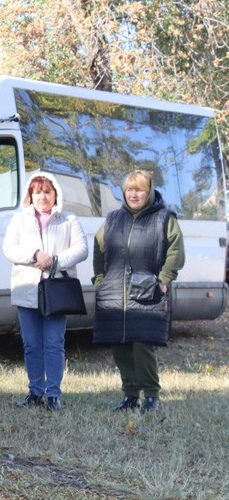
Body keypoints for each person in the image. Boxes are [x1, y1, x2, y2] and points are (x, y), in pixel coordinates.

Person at [93, 170, 185, 413]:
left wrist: (164, 279)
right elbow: (99, 246)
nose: (134, 194)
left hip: (148, 293)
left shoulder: (164, 218)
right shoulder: (113, 219)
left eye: (140, 189)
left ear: (149, 191)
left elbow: (176, 251)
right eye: (130, 189)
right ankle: (130, 395)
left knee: (142, 345)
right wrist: (99, 279)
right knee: (120, 345)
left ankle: (151, 396)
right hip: (115, 293)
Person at [2, 173, 88, 410]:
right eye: (37, 192)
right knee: (31, 343)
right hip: (27, 289)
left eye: (47, 192)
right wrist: (35, 255)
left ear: (56, 194)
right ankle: (35, 391)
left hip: (56, 291)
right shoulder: (19, 220)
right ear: (30, 195)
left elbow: (81, 249)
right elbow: (9, 248)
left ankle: (53, 394)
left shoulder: (68, 220)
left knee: (53, 343)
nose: (42, 197)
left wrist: (55, 260)